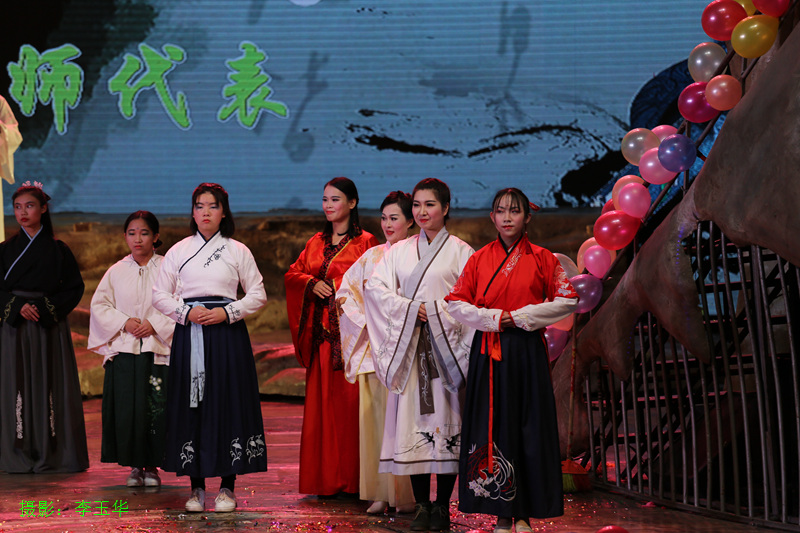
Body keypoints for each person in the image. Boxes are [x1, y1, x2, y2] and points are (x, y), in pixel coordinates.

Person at [445, 188, 579, 533]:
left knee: (528, 425)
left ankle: (524, 514)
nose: (507, 217)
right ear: (492, 217)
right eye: (501, 211)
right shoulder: (478, 259)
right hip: (489, 350)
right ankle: (502, 512)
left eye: (514, 211)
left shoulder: (543, 258)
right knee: (495, 426)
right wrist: (492, 318)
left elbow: (568, 300)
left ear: (527, 217)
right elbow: (455, 302)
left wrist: (520, 317)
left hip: (526, 349)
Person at [364, 178, 475, 532]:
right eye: (417, 205)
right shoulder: (398, 251)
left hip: (446, 352)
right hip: (410, 348)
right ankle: (422, 505)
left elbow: (470, 300)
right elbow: (375, 289)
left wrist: (437, 313)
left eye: (430, 204)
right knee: (413, 426)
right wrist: (412, 309)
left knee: (446, 425)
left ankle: (442, 506)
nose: (422, 212)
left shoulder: (461, 252)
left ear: (445, 207)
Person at [152, 183, 267, 513]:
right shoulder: (178, 250)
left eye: (213, 206)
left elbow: (257, 294)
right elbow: (159, 295)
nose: (205, 212)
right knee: (194, 406)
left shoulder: (237, 250)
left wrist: (227, 312)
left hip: (227, 335)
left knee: (228, 402)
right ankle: (196, 488)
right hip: (191, 333)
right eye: (199, 206)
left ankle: (228, 487)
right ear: (192, 212)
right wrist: (185, 312)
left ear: (223, 212)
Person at [285, 177, 379, 497]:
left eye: (335, 199)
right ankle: (325, 480)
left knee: (350, 410)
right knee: (322, 411)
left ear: (352, 203)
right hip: (321, 339)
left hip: (351, 340)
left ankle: (354, 481)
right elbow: (293, 274)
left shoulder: (366, 242)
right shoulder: (315, 242)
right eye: (325, 199)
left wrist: (338, 287)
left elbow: (374, 283)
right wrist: (311, 284)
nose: (328, 205)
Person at [0, 181, 88, 473]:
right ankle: (18, 454)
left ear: (44, 208)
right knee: (16, 385)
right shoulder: (5, 250)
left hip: (47, 325)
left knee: (49, 383)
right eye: (17, 207)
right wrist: (16, 305)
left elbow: (73, 288)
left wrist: (43, 308)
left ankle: (52, 453)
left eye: (29, 206)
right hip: (15, 328)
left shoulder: (59, 251)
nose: (22, 212)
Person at [337, 191, 416, 514]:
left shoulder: (418, 256)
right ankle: (380, 492)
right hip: (374, 352)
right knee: (375, 427)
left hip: (408, 351)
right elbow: (346, 294)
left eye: (394, 218)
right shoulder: (371, 257)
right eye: (384, 218)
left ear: (411, 221)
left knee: (406, 426)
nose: (387, 224)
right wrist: (369, 323)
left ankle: (407, 495)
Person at [88, 211, 175, 488]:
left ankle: (153, 466)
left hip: (157, 349)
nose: (138, 239)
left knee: (156, 408)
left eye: (144, 233)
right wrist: (124, 322)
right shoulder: (116, 271)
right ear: (125, 236)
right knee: (129, 409)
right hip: (125, 351)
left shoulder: (168, 268)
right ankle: (135, 466)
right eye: (132, 233)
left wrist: (154, 324)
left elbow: (180, 303)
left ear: (156, 236)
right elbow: (100, 305)